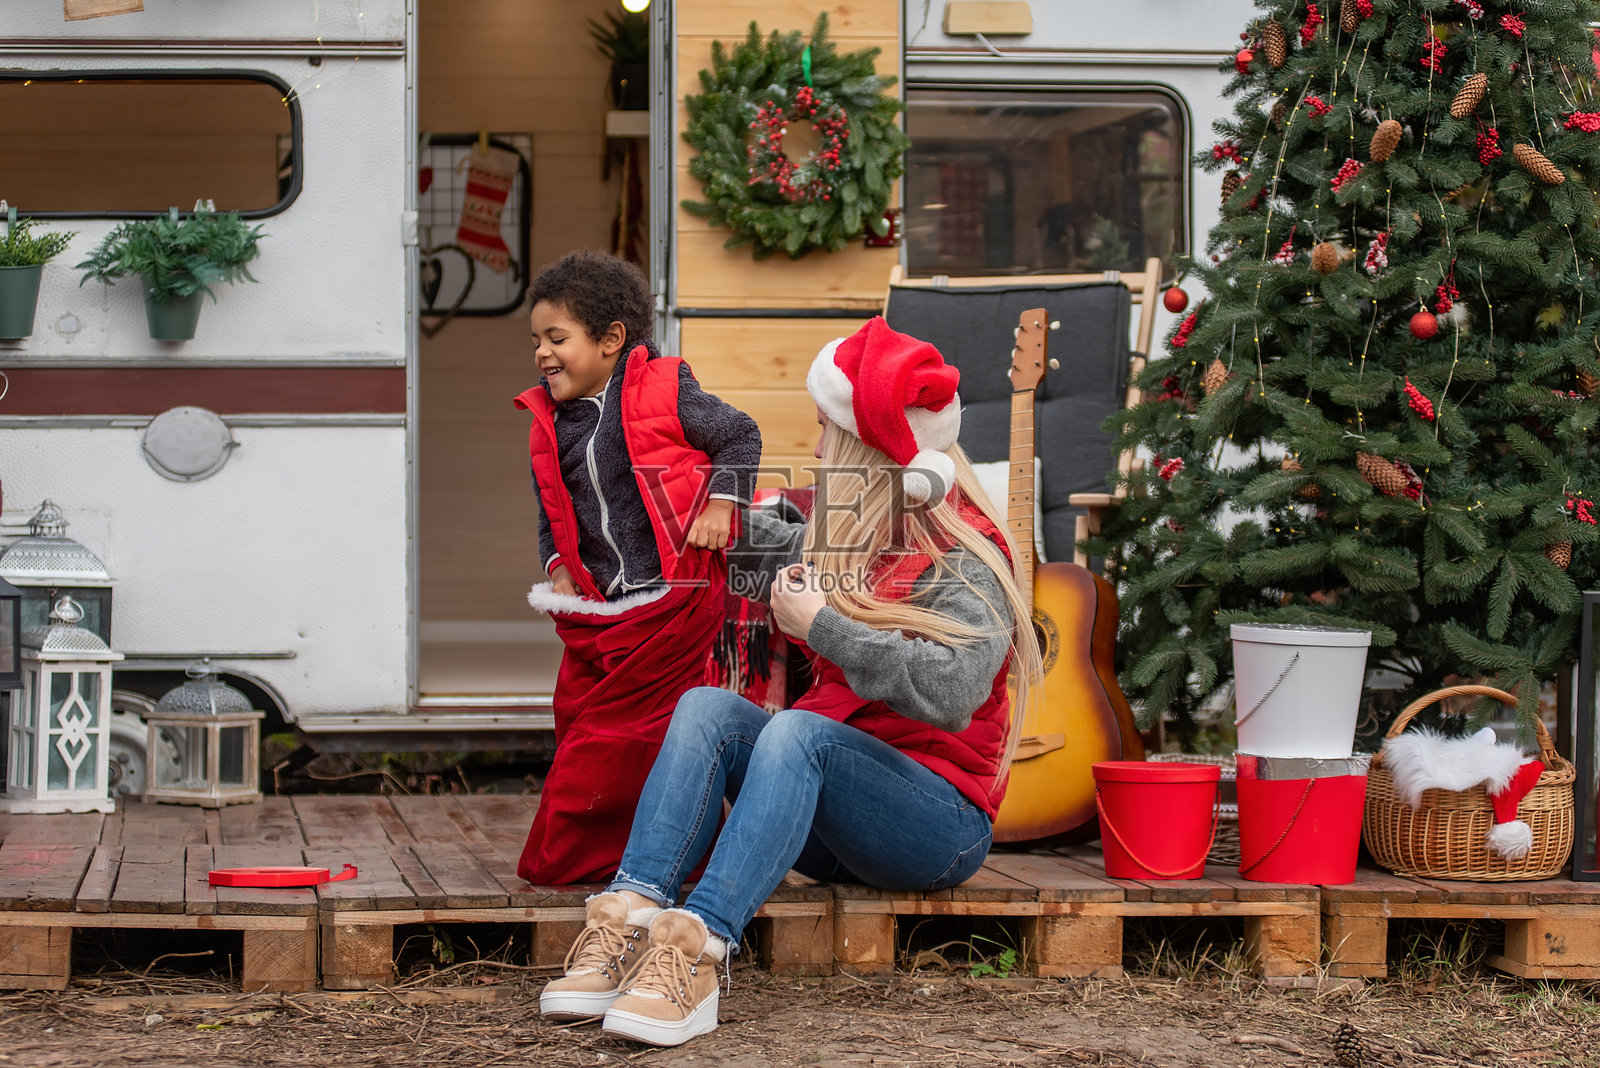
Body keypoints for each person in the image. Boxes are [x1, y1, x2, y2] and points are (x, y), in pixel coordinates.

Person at [537, 316, 1043, 1047]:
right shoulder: (854, 530)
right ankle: (628, 918)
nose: (813, 448)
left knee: (803, 731)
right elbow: (762, 549)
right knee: (709, 709)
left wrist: (825, 629)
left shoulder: (967, 553)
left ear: (868, 447)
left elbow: (957, 690)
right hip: (826, 819)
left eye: (822, 431)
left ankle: (696, 953)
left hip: (937, 830)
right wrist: (680, 491)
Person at [512, 249, 762, 886]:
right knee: (581, 721)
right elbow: (552, 508)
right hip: (604, 611)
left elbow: (741, 434)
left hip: (673, 601)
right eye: (536, 340)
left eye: (556, 338)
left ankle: (666, 855)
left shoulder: (665, 388)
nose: (542, 353)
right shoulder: (551, 424)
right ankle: (607, 852)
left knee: (640, 737)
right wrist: (557, 563)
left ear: (611, 339)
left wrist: (723, 503)